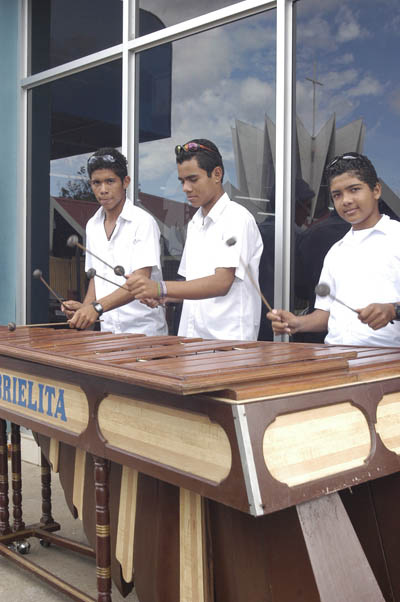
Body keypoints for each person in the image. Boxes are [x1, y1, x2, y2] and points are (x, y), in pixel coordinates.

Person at [125, 139, 263, 341]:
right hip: (193, 340)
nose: (185, 188)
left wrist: (160, 287)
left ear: (217, 174)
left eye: (193, 179)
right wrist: (163, 296)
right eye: (182, 181)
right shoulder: (195, 223)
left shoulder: (237, 218)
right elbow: (191, 284)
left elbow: (222, 282)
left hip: (229, 344)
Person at [267, 152, 400, 347]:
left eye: (354, 189)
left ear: (376, 190)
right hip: (335, 356)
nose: (345, 200)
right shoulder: (336, 251)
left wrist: (393, 311)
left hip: (387, 362)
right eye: (337, 195)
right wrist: (297, 322)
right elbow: (325, 314)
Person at [62, 147, 168, 336]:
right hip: (108, 333)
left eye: (110, 181)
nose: (103, 190)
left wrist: (95, 308)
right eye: (96, 183)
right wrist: (84, 311)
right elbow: (96, 277)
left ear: (125, 182)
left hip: (144, 335)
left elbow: (140, 281)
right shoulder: (92, 225)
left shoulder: (143, 222)